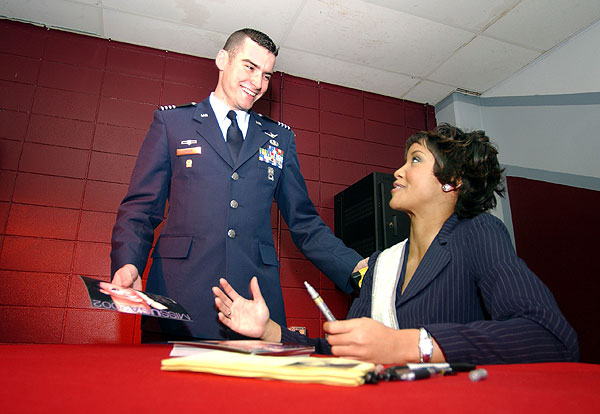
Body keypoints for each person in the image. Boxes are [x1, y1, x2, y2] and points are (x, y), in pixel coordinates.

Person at [213, 123, 579, 364]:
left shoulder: (477, 232)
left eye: (415, 160)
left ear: (451, 181)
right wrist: (271, 332)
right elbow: (342, 350)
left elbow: (549, 335)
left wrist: (408, 345)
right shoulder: (382, 264)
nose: (399, 171)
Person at [109, 28, 365, 341]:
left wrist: (359, 268)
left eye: (267, 75)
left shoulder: (280, 138)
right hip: (180, 295)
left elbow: (304, 222)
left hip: (255, 302)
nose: (258, 83)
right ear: (222, 60)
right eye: (250, 67)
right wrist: (128, 262)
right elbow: (141, 207)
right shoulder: (172, 123)